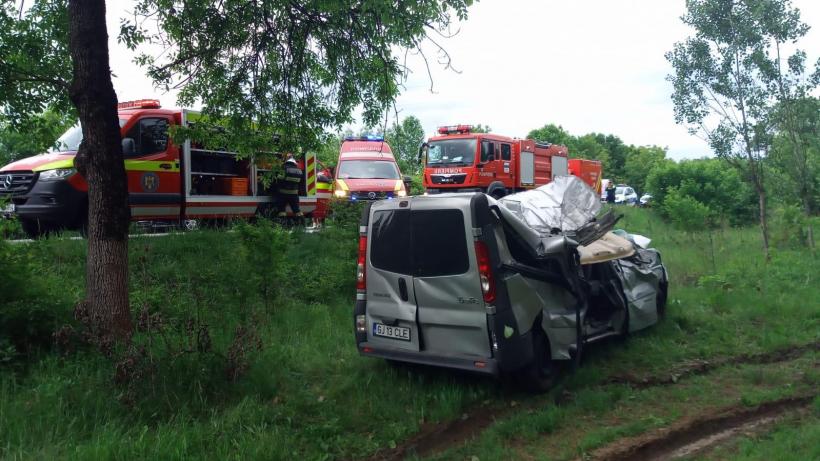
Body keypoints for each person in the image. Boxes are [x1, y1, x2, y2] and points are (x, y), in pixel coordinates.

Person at [277, 156, 304, 221]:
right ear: (294, 163)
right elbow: (301, 182)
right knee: (297, 210)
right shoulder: (299, 171)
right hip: (294, 194)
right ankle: (302, 224)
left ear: (287, 162)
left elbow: (279, 178)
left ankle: (283, 224)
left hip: (283, 193)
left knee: (282, 210)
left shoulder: (284, 169)